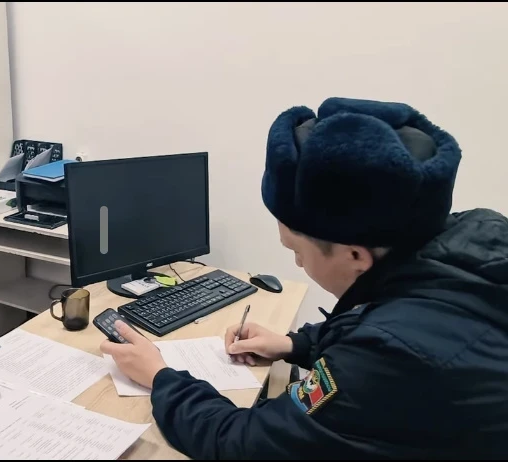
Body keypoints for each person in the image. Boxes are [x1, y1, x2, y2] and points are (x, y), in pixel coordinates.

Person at [102, 97, 508, 459]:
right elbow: (377, 317)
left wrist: (160, 377)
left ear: (355, 256)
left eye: (296, 250)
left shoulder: (393, 356)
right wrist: (295, 344)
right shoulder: (470, 240)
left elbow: (241, 443)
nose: (298, 265)